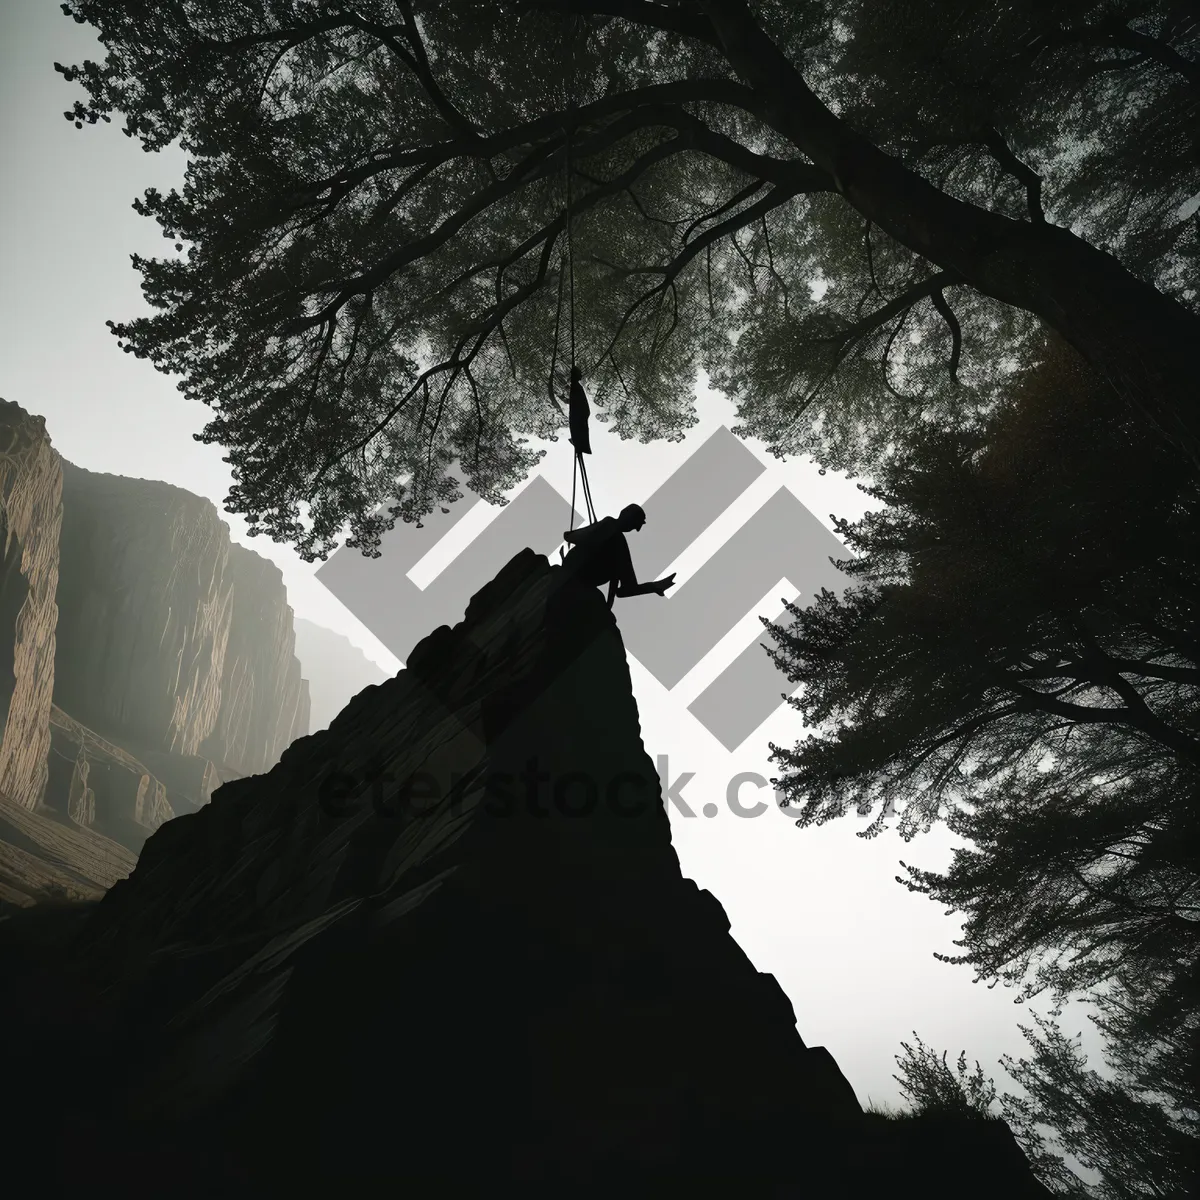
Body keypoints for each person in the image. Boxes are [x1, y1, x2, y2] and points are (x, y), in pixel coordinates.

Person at [561, 503, 676, 609]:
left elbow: (571, 537)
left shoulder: (615, 536)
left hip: (577, 576)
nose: (635, 530)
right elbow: (626, 589)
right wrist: (654, 587)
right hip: (577, 576)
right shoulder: (612, 530)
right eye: (635, 525)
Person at [568, 365, 591, 456]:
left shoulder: (576, 386)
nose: (581, 376)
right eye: (580, 374)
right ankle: (579, 444)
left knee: (580, 427)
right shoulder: (575, 386)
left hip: (580, 413)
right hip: (579, 413)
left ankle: (579, 444)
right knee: (580, 427)